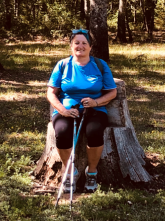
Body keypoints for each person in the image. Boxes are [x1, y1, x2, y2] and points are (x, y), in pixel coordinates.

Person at [47, 29, 117, 193]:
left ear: (90, 47)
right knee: (62, 132)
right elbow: (50, 92)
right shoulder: (63, 65)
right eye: (76, 43)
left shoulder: (99, 65)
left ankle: (91, 172)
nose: (80, 46)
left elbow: (112, 91)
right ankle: (70, 171)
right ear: (71, 46)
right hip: (67, 109)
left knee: (94, 131)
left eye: (84, 43)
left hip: (94, 109)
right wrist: (62, 110)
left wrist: (95, 102)